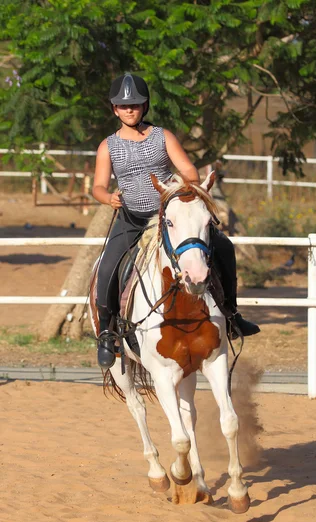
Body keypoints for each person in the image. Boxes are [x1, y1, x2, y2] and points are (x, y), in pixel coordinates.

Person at [92, 72, 260, 369]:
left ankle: (231, 315)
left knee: (223, 247)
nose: (129, 110)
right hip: (131, 218)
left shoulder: (162, 136)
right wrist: (108, 198)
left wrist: (176, 190)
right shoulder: (108, 146)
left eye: (135, 105)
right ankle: (107, 332)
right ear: (114, 109)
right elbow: (98, 186)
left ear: (144, 107)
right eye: (123, 105)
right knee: (107, 267)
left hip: (168, 217)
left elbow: (190, 171)